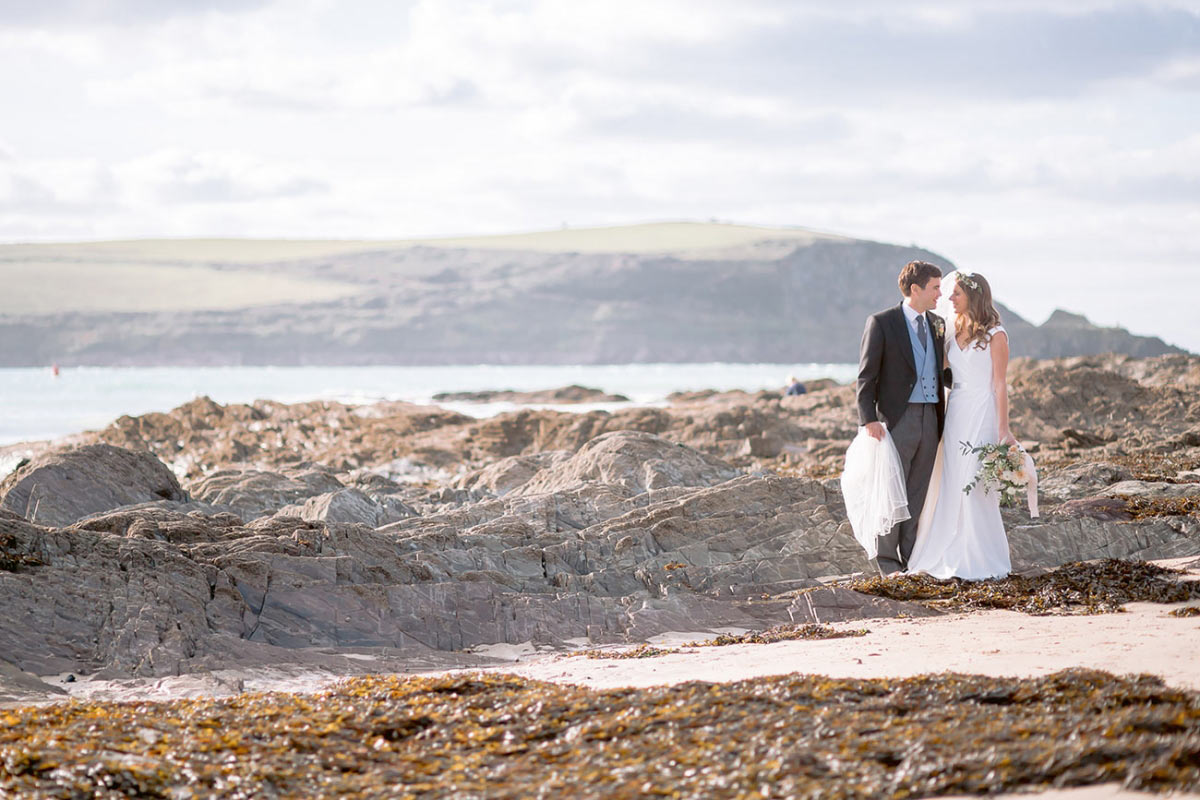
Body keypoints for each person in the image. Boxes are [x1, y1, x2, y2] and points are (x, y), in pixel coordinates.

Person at [906, 271, 1013, 580]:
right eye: (949, 293)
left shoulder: (996, 335)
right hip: (956, 410)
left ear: (973, 297)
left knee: (974, 481)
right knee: (953, 480)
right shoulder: (952, 331)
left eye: (956, 294)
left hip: (983, 412)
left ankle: (979, 555)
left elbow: (1001, 384)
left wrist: (1004, 430)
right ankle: (947, 547)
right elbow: (933, 367)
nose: (948, 299)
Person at [855, 261, 948, 575]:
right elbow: (866, 376)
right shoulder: (882, 322)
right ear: (915, 289)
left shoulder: (937, 323)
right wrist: (868, 419)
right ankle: (887, 561)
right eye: (935, 287)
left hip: (931, 418)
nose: (940, 294)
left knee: (916, 492)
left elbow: (942, 371)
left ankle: (911, 557)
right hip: (897, 419)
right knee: (890, 491)